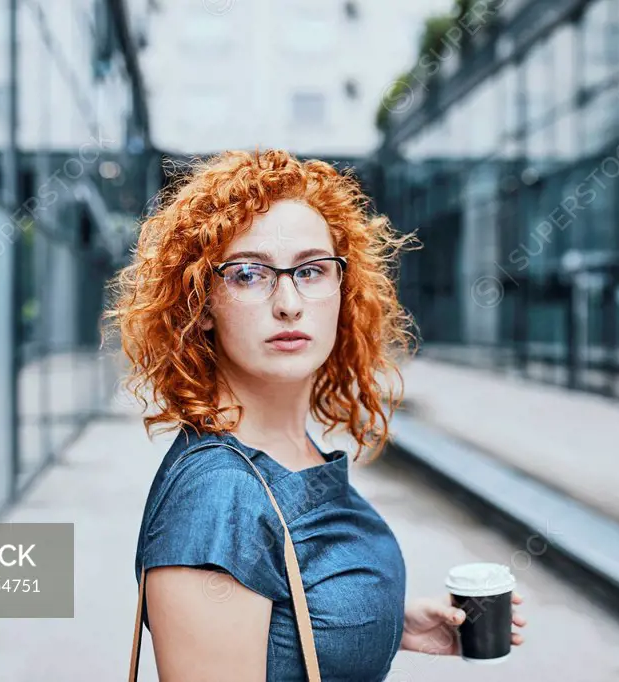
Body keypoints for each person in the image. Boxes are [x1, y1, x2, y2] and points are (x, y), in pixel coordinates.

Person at [106, 150, 526, 681]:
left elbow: (283, 610)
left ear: (342, 290)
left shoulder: (289, 447)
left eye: (311, 270)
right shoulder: (218, 498)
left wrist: (379, 625)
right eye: (247, 274)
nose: (288, 302)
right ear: (202, 304)